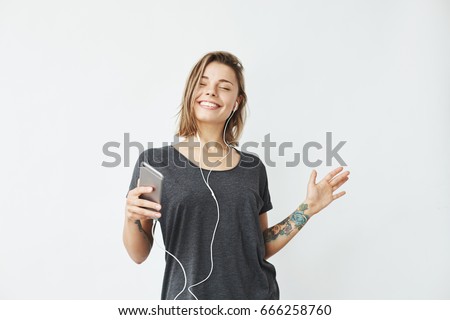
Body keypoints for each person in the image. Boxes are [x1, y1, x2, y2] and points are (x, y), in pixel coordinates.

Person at [123, 51, 350, 300]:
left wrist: (307, 209)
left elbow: (258, 246)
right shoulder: (156, 163)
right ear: (191, 92)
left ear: (237, 102)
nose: (211, 92)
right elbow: (138, 254)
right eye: (203, 83)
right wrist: (131, 217)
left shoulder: (253, 168)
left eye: (224, 87)